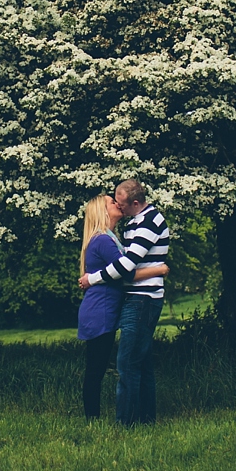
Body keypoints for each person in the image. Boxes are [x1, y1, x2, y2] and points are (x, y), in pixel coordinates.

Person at [79, 178, 171, 425]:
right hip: (132, 298)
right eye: (114, 203)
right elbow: (127, 268)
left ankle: (126, 422)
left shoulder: (149, 222)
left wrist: (92, 279)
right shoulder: (130, 226)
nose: (118, 206)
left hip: (142, 298)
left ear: (136, 203)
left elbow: (127, 267)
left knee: (127, 362)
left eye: (120, 202)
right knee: (138, 362)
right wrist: (158, 269)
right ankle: (143, 419)